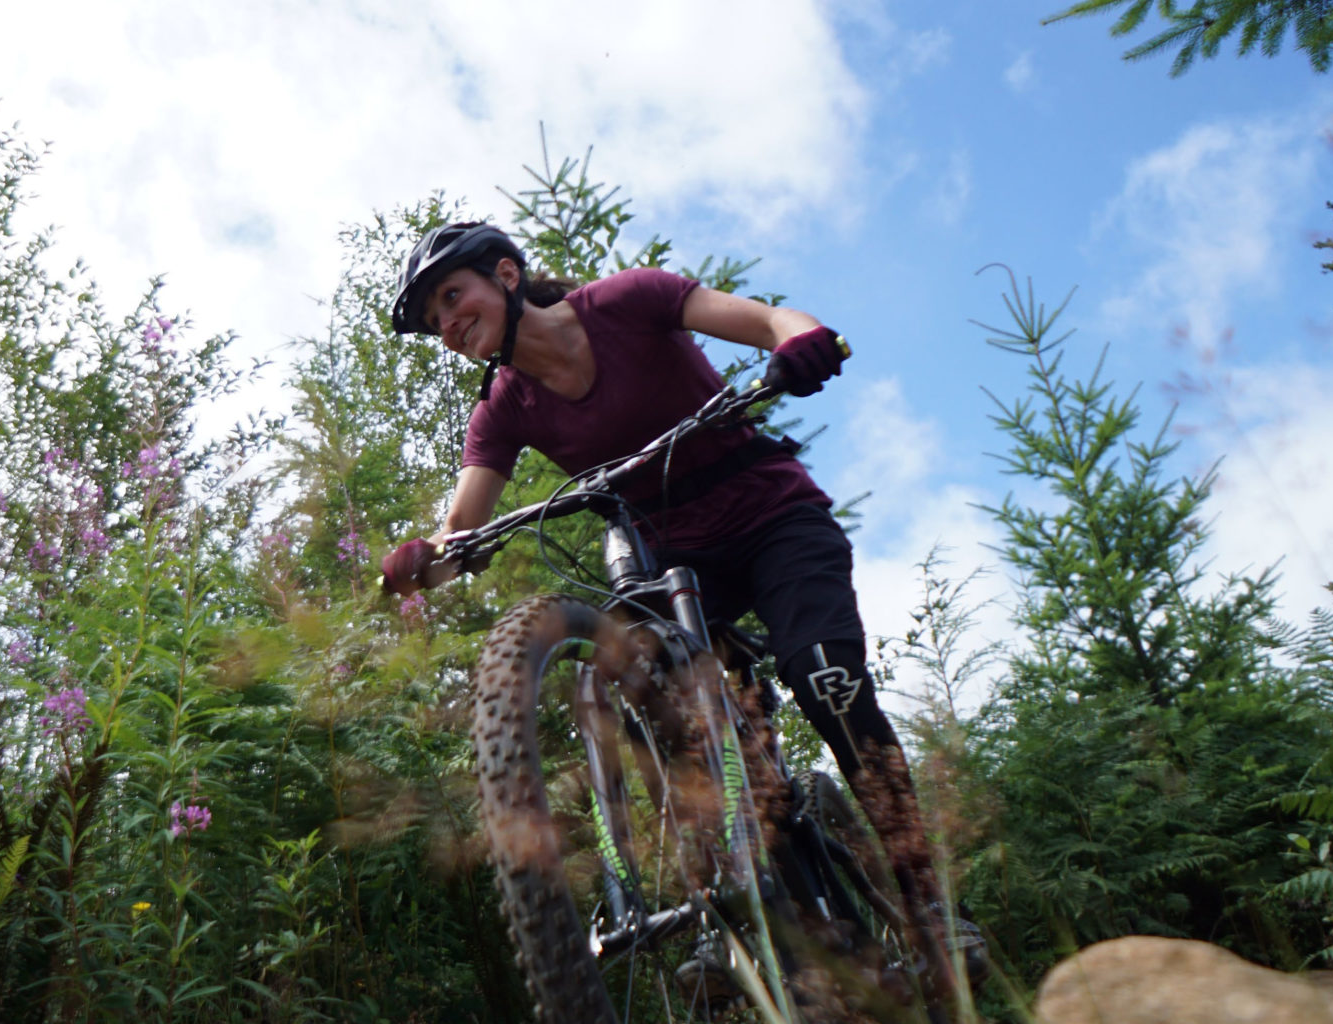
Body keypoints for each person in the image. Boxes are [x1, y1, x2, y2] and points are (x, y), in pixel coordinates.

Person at [375, 221, 956, 1011]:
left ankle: (931, 909)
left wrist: (804, 339)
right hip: (675, 568)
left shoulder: (627, 301)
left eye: (453, 295)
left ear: (507, 276)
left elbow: (767, 323)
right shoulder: (503, 411)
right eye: (432, 316)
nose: (446, 321)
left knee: (825, 679)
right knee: (677, 722)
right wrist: (421, 565)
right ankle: (755, 923)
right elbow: (462, 537)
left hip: (772, 519)